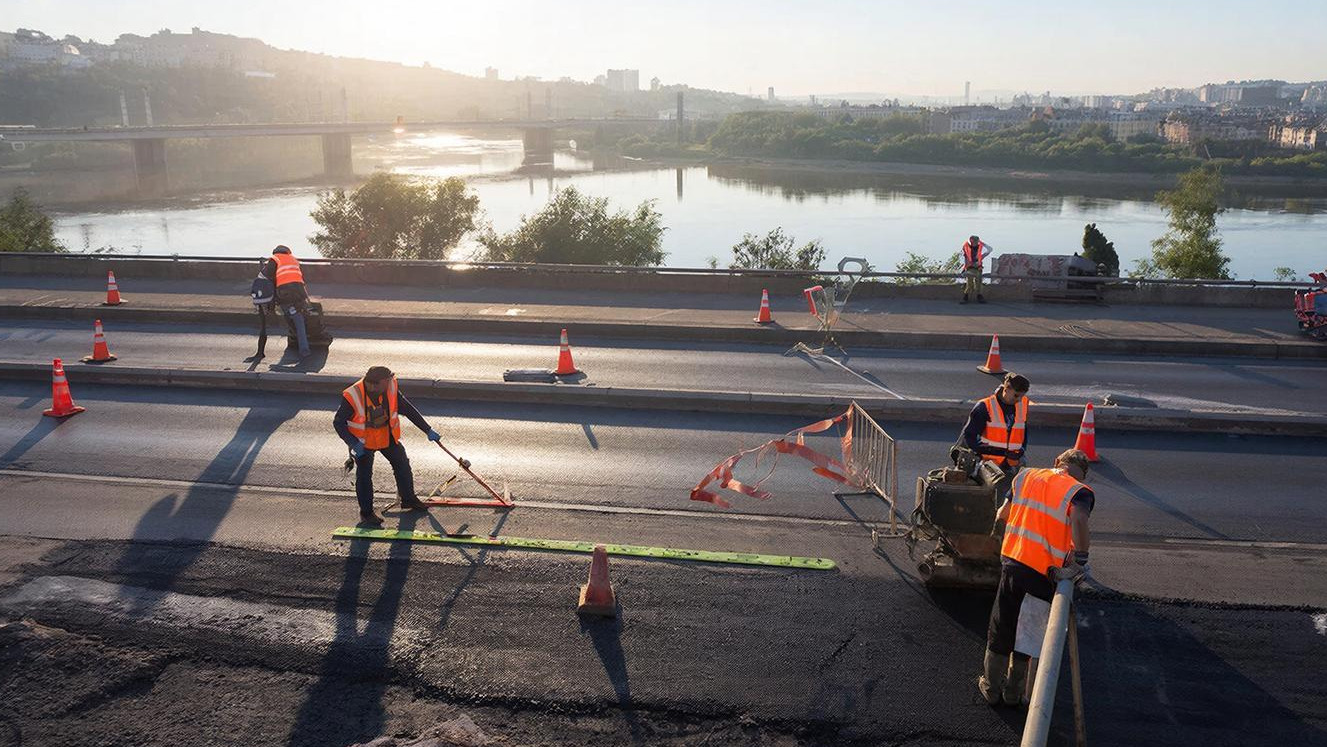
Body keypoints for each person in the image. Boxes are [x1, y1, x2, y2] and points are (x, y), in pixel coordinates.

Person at [978, 448, 1095, 707]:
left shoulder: (1025, 476)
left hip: (1013, 563)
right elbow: (1079, 520)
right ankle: (1013, 693)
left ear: (1057, 461)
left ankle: (991, 687)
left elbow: (1002, 514)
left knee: (1002, 624)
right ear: (1083, 475)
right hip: (1044, 574)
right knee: (1028, 631)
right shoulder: (1080, 492)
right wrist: (1081, 560)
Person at [333, 366, 450, 525]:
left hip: (386, 437)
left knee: (402, 463)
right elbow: (338, 423)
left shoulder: (389, 388)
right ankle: (366, 513)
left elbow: (407, 409)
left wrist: (427, 429)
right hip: (363, 442)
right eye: (387, 381)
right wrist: (353, 443)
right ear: (375, 384)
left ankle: (408, 499)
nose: (390, 383)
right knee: (364, 475)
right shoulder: (353, 395)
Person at [960, 372, 1030, 476]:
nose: (1019, 399)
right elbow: (970, 436)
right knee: (999, 486)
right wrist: (986, 451)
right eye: (1016, 395)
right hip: (990, 465)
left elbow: (1023, 431)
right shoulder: (985, 406)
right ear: (1006, 389)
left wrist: (1022, 450)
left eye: (1022, 396)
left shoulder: (1022, 405)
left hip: (1014, 463)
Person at [262, 244, 312, 358]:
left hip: (284, 294)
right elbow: (299, 278)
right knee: (298, 319)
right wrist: (306, 298)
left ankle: (301, 347)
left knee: (292, 318)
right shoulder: (294, 260)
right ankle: (302, 346)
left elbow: (266, 277)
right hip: (298, 293)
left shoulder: (275, 259)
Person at [961, 235, 993, 304]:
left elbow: (990, 249)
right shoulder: (966, 248)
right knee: (969, 284)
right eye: (974, 241)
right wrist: (965, 269)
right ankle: (965, 297)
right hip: (970, 268)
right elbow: (965, 259)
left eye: (976, 241)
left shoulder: (980, 248)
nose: (975, 242)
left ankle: (979, 296)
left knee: (979, 283)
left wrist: (982, 243)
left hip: (978, 268)